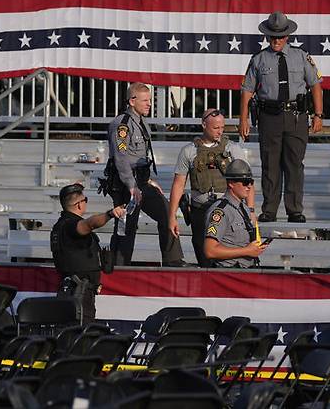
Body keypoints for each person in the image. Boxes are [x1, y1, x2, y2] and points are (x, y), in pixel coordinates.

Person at [239, 11, 324, 223]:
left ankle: (295, 209)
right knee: (271, 164)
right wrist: (243, 118)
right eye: (272, 36)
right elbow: (247, 90)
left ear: (287, 36)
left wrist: (318, 115)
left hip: (296, 116)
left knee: (294, 164)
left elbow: (315, 85)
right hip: (269, 117)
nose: (276, 41)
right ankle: (269, 210)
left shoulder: (301, 56)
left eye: (280, 36)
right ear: (267, 37)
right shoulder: (259, 59)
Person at [104, 82, 187, 267]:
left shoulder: (141, 122)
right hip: (127, 184)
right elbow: (121, 157)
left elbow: (139, 156)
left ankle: (173, 261)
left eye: (150, 100)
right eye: (145, 100)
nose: (149, 104)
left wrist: (147, 180)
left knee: (167, 212)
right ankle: (118, 267)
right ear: (132, 101)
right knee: (127, 226)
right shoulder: (122, 124)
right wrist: (132, 186)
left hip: (141, 180)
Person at [168, 108, 255, 267]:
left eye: (222, 127)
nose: (220, 131)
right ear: (203, 125)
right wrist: (172, 215)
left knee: (226, 257)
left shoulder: (232, 149)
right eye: (215, 128)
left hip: (227, 211)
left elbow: (247, 181)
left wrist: (250, 211)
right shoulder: (189, 151)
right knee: (203, 255)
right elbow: (178, 184)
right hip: (200, 209)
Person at [51, 183, 125, 323]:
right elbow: (89, 224)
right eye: (85, 200)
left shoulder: (61, 225)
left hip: (75, 292)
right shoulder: (70, 225)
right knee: (80, 333)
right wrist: (110, 214)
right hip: (78, 294)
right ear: (79, 204)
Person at [204, 160, 269, 268]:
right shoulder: (220, 211)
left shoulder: (244, 208)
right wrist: (246, 251)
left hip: (246, 270)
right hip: (228, 273)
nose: (249, 186)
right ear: (231, 183)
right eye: (244, 182)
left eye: (251, 182)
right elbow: (210, 250)